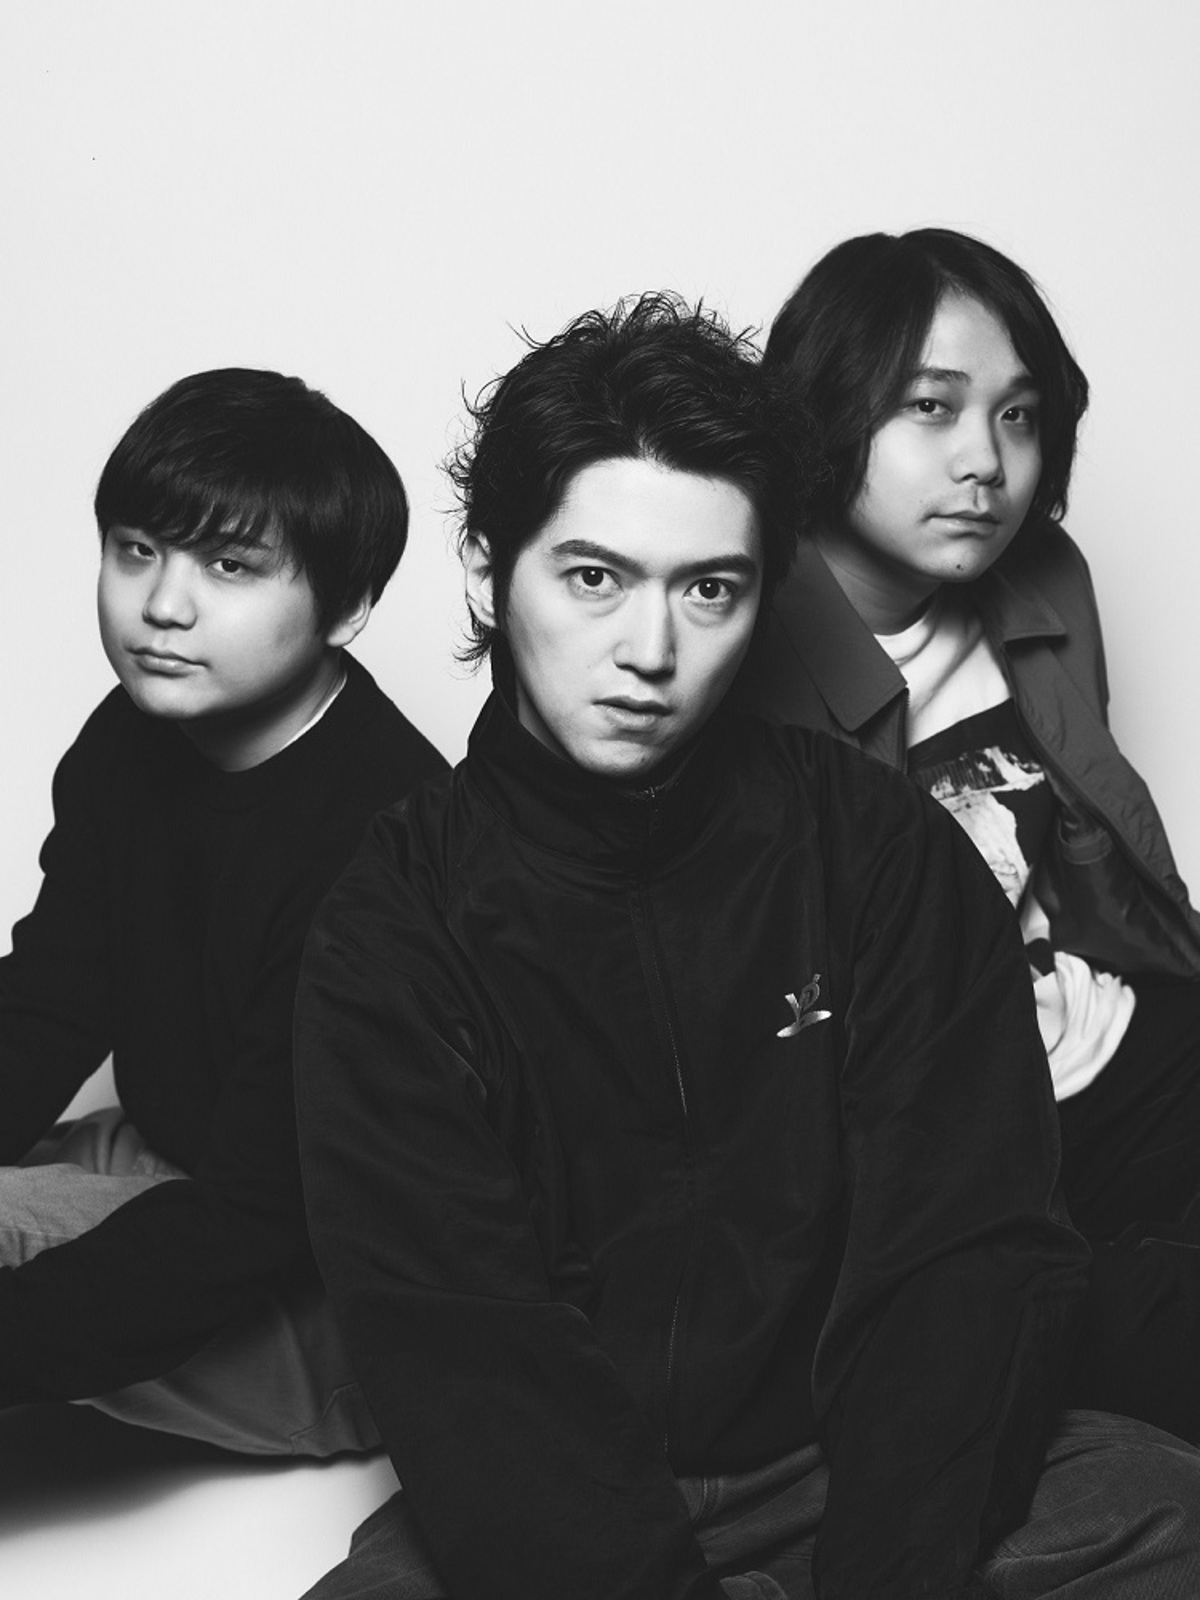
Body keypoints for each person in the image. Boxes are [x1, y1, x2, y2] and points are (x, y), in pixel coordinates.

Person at [294, 294, 1200, 1600]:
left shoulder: (874, 847)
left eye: (707, 589)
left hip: (852, 1461)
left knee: (1166, 1515)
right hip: (566, 1492)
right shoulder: (395, 923)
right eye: (593, 578)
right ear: (493, 569)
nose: (649, 651)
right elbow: (470, 1356)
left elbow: (964, 1251)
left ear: (764, 594)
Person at [736, 227, 1200, 1443]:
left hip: (1102, 1045)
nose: (985, 461)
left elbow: (1094, 858)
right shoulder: (731, 644)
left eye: (1018, 416)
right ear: (825, 413)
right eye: (931, 407)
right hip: (935, 1147)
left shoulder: (1044, 584)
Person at [0, 368, 446, 1454]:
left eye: (230, 565)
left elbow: (259, 1218)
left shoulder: (386, 840)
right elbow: (49, 1002)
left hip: (346, 1299)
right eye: (137, 549)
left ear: (348, 607)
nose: (162, 604)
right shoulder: (131, 736)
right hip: (182, 1169)